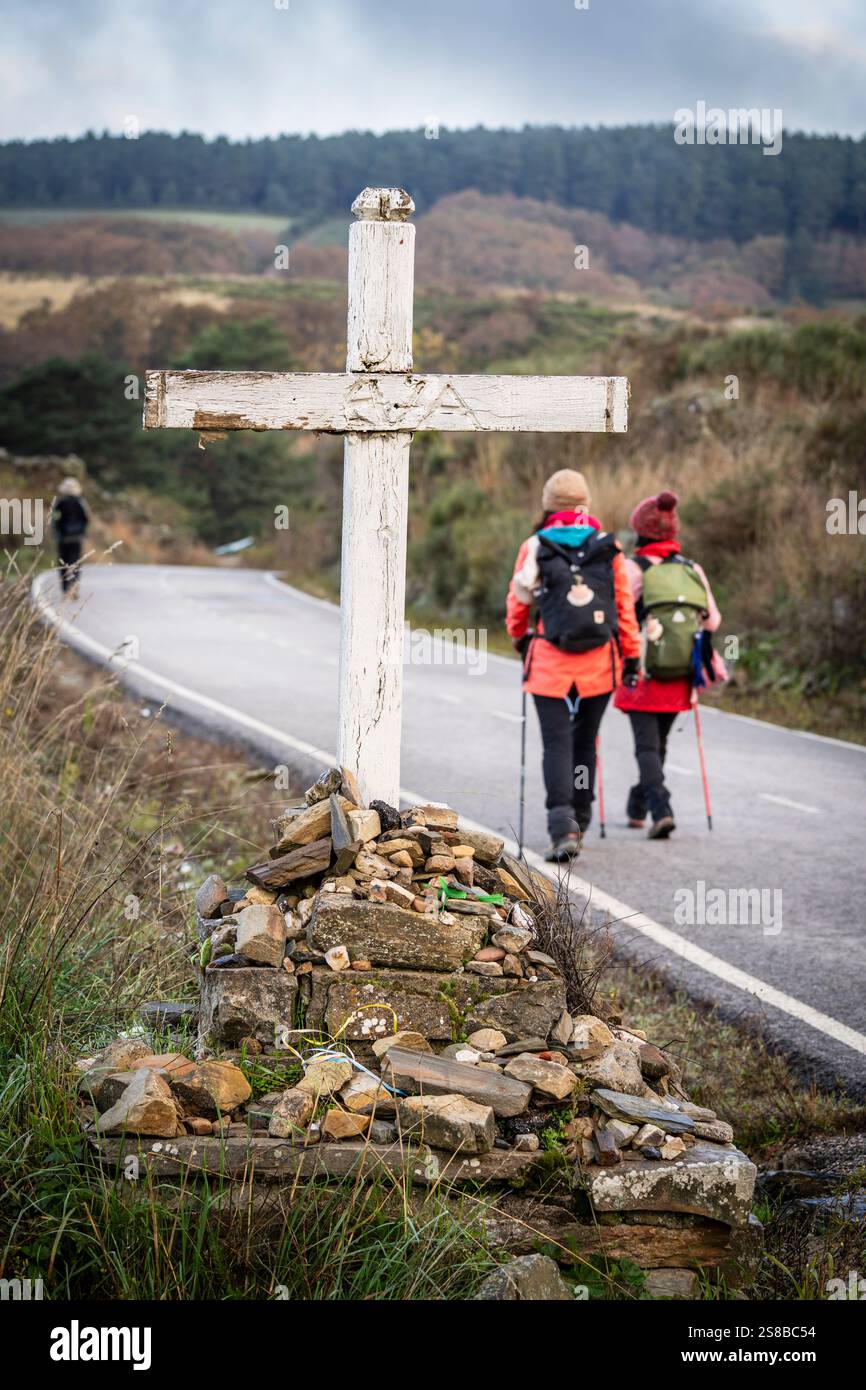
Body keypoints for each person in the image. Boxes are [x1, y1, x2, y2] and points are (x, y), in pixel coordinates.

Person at [506, 468, 641, 862]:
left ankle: (561, 826)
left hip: (550, 660)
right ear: (585, 505)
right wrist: (631, 655)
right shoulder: (608, 546)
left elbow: (518, 601)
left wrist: (519, 637)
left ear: (549, 506)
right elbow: (624, 608)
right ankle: (580, 816)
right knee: (585, 741)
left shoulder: (535, 545)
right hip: (600, 662)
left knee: (556, 743)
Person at [614, 489, 724, 839]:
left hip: (642, 670)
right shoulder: (692, 570)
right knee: (658, 745)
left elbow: (619, 617)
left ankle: (661, 809)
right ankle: (638, 804)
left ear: (640, 532)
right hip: (681, 672)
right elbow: (712, 622)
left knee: (647, 747)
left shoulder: (632, 569)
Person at [50, 476, 90, 594]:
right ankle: (74, 586)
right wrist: (82, 532)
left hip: (63, 538)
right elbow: (86, 519)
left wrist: (57, 534)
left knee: (63, 562)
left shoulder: (60, 503)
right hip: (76, 538)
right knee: (76, 562)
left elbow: (54, 520)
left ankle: (65, 587)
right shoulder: (80, 502)